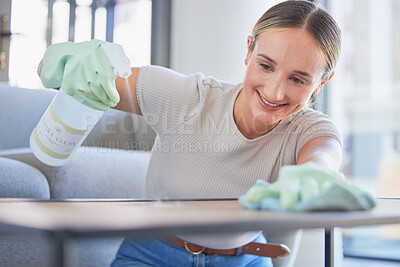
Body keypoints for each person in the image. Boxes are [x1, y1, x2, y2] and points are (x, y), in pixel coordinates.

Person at [38, 1, 342, 266]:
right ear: (249, 50)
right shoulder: (188, 98)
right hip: (151, 254)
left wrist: (316, 176)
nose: (275, 92)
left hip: (246, 259)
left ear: (320, 84)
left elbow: (322, 157)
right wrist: (72, 61)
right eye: (266, 65)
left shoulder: (309, 128)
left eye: (298, 79)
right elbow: (63, 75)